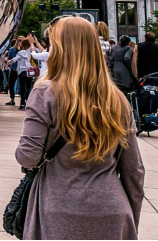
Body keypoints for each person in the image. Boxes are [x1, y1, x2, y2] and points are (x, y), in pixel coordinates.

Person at [16, 16, 144, 240]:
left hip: (57, 211)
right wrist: (129, 219)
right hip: (112, 211)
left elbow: (28, 156)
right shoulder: (117, 100)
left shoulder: (45, 93)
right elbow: (134, 171)